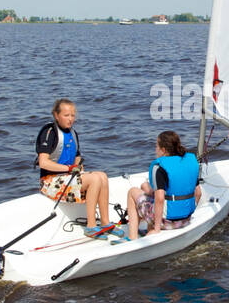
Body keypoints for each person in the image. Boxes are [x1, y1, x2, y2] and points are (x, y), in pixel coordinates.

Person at [34, 99, 121, 238]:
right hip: (50, 181)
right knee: (94, 179)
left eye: (73, 116)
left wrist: (78, 168)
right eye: (66, 115)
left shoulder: (73, 133)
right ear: (56, 115)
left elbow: (77, 158)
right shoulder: (49, 132)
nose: (70, 119)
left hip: (68, 177)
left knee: (102, 176)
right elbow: (43, 162)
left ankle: (105, 223)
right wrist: (69, 168)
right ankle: (91, 226)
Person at [124, 130, 201, 240]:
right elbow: (198, 193)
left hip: (167, 222)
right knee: (145, 186)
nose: (155, 149)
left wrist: (157, 229)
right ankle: (148, 229)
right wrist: (186, 213)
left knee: (132, 192)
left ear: (163, 150)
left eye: (156, 146)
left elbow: (160, 198)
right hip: (186, 220)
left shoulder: (159, 167)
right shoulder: (190, 161)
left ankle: (132, 238)